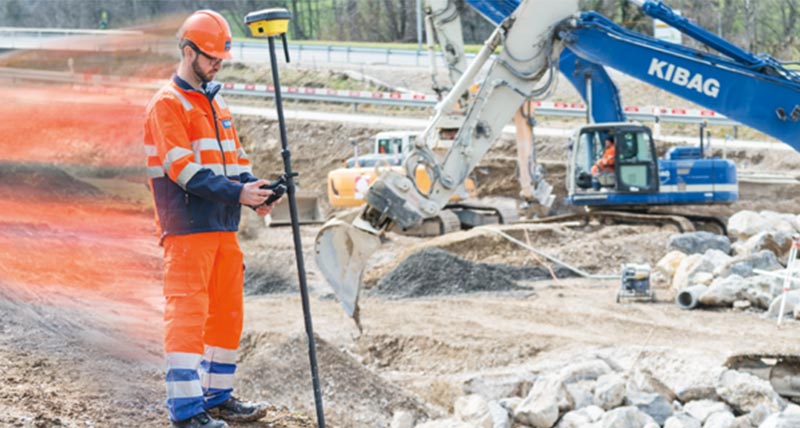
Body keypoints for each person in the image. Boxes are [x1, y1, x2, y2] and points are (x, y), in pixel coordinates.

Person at [143, 10, 278, 428]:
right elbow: (184, 171)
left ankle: (217, 396)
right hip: (186, 231)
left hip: (222, 227)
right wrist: (238, 192)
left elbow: (234, 164)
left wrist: (257, 191)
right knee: (187, 316)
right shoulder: (168, 104)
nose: (218, 64)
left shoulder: (216, 101)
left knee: (226, 313)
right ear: (188, 52)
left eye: (221, 58)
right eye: (211, 57)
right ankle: (185, 411)